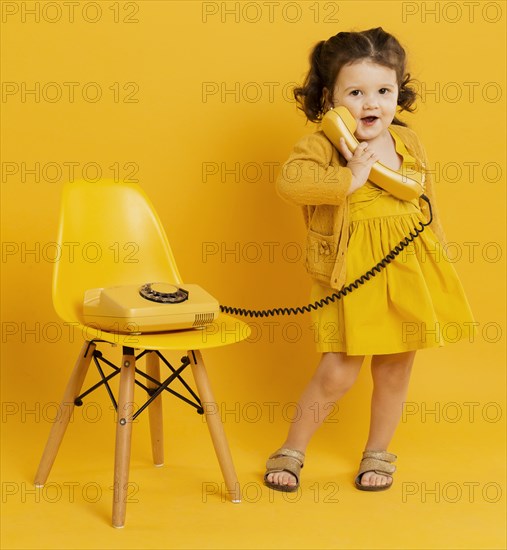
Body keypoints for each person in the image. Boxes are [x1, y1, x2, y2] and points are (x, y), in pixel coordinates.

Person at [264, 27, 475, 492]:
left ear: (399, 93)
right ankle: (293, 447)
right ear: (328, 98)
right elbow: (291, 183)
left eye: (384, 91)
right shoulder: (325, 145)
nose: (371, 104)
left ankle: (378, 452)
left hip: (406, 267)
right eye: (355, 92)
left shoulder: (408, 142)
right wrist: (350, 177)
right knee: (337, 371)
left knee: (395, 368)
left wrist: (440, 257)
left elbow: (426, 203)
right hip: (350, 275)